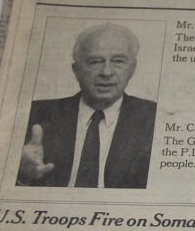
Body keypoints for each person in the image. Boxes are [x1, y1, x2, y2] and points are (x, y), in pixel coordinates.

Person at [17, 23, 156, 188]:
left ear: (132, 69)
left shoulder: (154, 118)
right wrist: (22, 176)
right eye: (95, 62)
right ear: (76, 71)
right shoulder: (35, 114)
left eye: (118, 61)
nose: (106, 72)